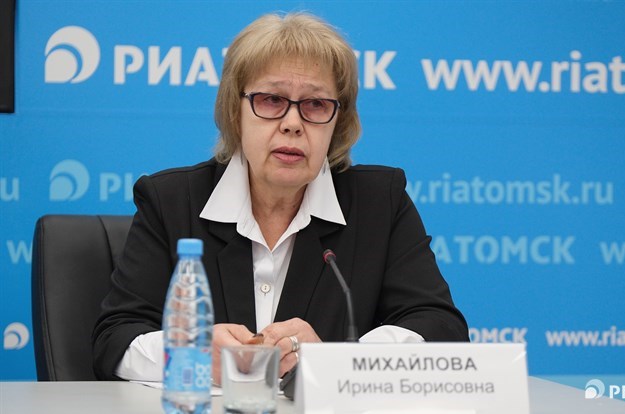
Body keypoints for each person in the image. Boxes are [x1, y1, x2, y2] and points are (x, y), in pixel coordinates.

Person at [92, 12, 468, 384]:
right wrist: (191, 355)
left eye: (316, 104)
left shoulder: (379, 204)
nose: (292, 124)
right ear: (235, 111)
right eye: (271, 100)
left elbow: (440, 328)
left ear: (338, 121)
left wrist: (336, 361)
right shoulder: (172, 201)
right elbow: (114, 339)